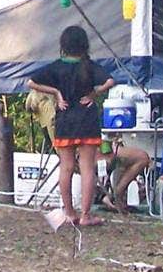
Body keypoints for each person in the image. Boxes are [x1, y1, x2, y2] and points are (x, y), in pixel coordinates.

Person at [27, 25, 113, 227]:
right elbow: (110, 81)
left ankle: (69, 213)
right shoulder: (89, 66)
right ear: (84, 45)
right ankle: (85, 215)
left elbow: (31, 82)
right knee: (87, 168)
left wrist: (56, 94)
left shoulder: (56, 67)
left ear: (63, 46)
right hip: (87, 120)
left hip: (65, 120)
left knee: (65, 167)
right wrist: (93, 95)